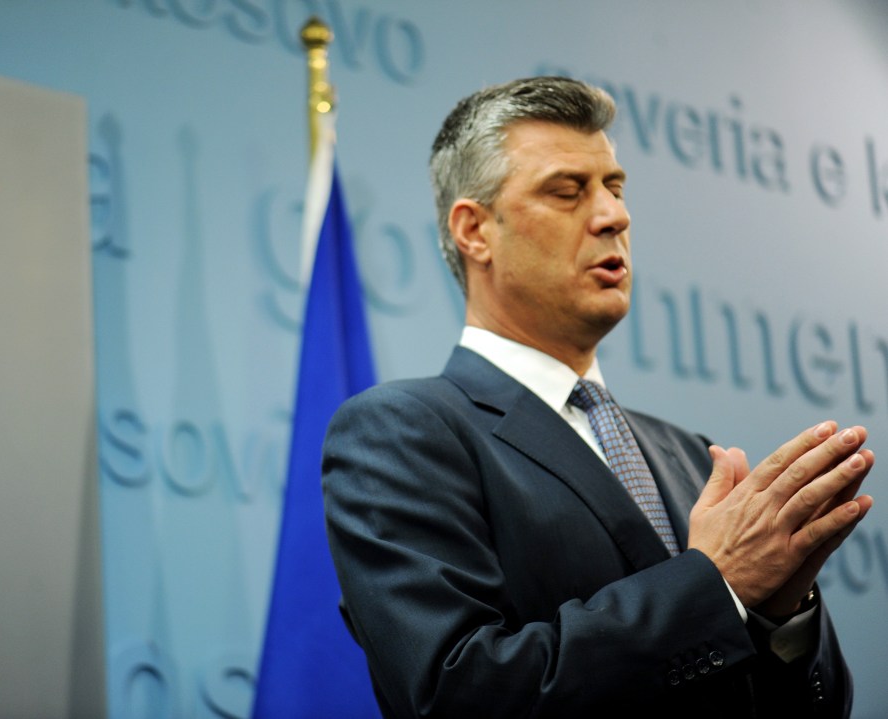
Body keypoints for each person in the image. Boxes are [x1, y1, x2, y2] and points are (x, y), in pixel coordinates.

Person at [321, 76, 875, 718]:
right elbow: (457, 694)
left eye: (615, 187)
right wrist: (717, 585)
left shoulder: (691, 455)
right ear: (474, 231)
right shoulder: (400, 433)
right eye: (567, 191)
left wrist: (782, 615)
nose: (615, 216)